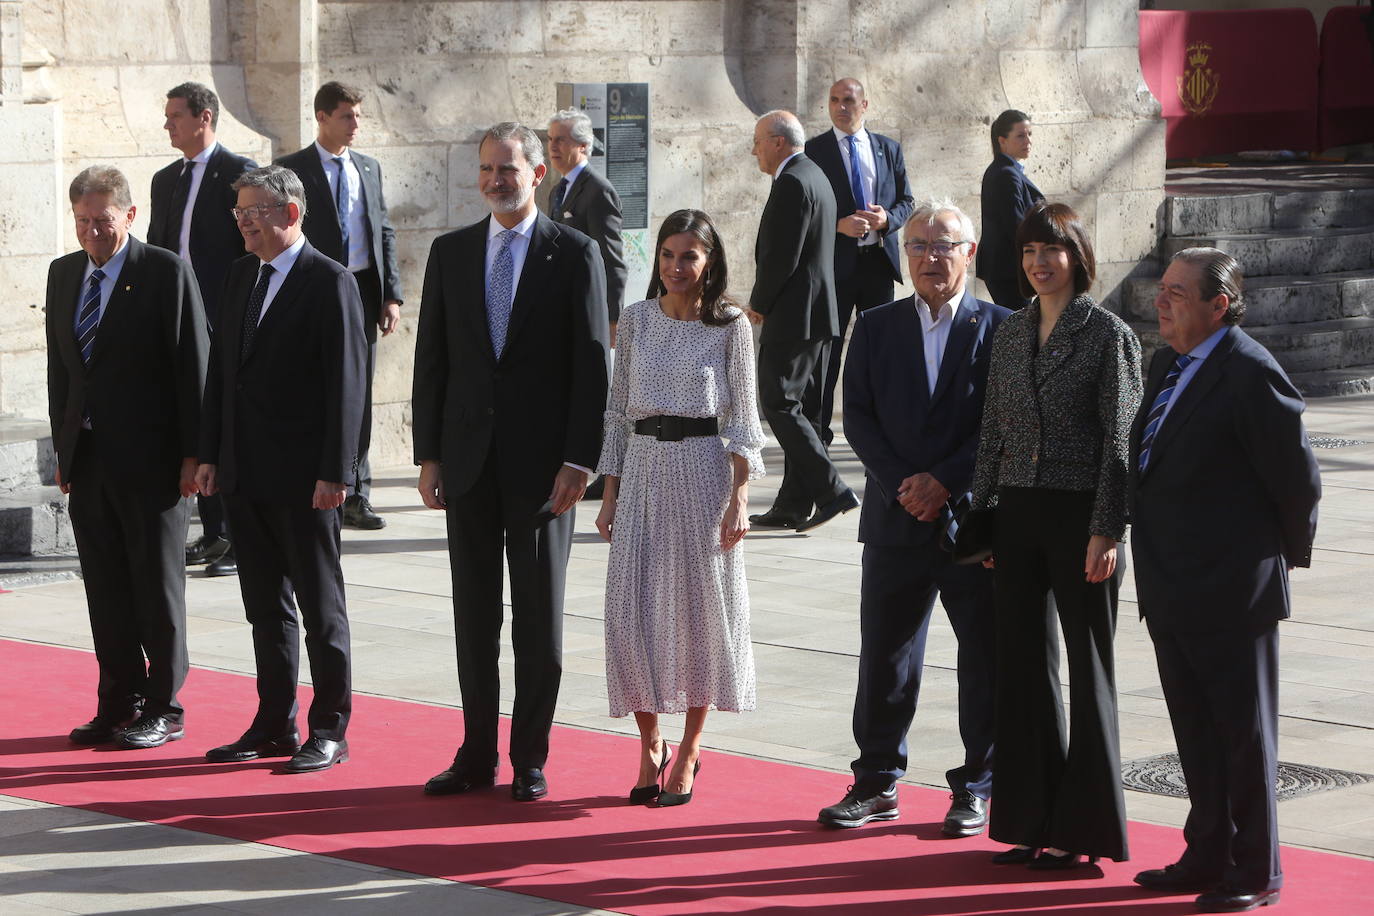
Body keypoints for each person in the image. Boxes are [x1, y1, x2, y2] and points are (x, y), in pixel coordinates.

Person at [413, 122, 609, 803]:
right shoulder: (451, 253)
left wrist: (580, 462)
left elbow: (592, 368)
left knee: (537, 623)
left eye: (509, 169)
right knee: (474, 619)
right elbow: (432, 361)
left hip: (541, 473)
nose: (498, 180)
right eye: (487, 170)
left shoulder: (574, 254)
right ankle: (475, 755)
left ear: (537, 173)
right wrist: (430, 455)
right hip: (467, 464)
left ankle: (529, 757)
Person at [1129, 249, 1319, 914]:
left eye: (1179, 293)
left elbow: (1297, 480)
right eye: (1163, 288)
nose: (1162, 299)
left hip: (1232, 590)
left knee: (1244, 737)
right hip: (1171, 584)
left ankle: (1256, 869)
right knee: (1197, 735)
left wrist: (1278, 561)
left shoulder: (1248, 370)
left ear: (1219, 306)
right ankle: (1207, 850)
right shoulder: (1166, 364)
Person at [820, 200, 1006, 835]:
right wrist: (907, 486)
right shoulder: (875, 326)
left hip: (973, 525)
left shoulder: (1004, 328)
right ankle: (876, 783)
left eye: (944, 245)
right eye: (919, 246)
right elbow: (860, 418)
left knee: (983, 658)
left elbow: (1005, 427)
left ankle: (977, 784)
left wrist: (945, 482)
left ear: (969, 253)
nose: (931, 257)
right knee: (886, 659)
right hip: (896, 519)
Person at [970, 201, 1142, 869]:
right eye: (1029, 253)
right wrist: (982, 518)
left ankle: (1088, 834)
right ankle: (1030, 822)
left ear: (1077, 256)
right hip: (1016, 516)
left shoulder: (1107, 334)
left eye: (1053, 250)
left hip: (1080, 520)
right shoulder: (1010, 333)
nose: (1040, 263)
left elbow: (1120, 443)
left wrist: (1107, 529)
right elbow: (993, 433)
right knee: (1022, 672)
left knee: (1087, 668)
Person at [197, 165, 367, 774]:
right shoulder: (242, 274)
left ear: (290, 213)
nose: (243, 223)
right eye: (238, 213)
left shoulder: (330, 281)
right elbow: (223, 374)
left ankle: (330, 728)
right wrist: (211, 453)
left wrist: (336, 471)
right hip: (244, 471)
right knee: (264, 605)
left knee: (320, 607)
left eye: (254, 212)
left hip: (305, 477)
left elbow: (347, 385)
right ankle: (274, 723)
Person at [594, 209, 765, 808]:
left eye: (689, 256)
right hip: (641, 471)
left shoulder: (730, 326)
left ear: (710, 261)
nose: (676, 267)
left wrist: (740, 497)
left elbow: (745, 418)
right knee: (629, 612)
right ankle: (649, 742)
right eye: (667, 255)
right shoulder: (637, 320)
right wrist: (609, 493)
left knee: (699, 614)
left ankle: (691, 746)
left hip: (702, 474)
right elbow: (617, 413)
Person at [46, 165, 208, 750]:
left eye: (103, 221)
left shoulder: (165, 272)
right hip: (88, 460)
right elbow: (61, 370)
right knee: (106, 588)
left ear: (129, 215)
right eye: (83, 222)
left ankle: (165, 705)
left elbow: (194, 369)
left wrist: (195, 454)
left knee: (154, 589)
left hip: (153, 462)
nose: (92, 232)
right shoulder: (64, 274)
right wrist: (64, 448)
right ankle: (118, 700)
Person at [277, 81, 403, 531]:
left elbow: (382, 229)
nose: (355, 125)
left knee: (359, 388)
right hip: (312, 289)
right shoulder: (292, 168)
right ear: (323, 117)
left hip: (363, 289)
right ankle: (315, 476)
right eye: (347, 116)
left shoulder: (367, 168)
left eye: (358, 116)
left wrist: (391, 294)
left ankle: (358, 491)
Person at [147, 81, 258, 578]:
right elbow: (156, 250)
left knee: (226, 424)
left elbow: (251, 253)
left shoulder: (240, 174)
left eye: (176, 115)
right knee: (194, 422)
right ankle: (212, 531)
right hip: (174, 320)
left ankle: (235, 534)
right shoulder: (164, 179)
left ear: (204, 117)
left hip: (222, 318)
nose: (167, 124)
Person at [748, 109, 858, 533]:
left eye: (758, 141)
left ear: (778, 141)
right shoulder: (815, 175)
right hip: (818, 315)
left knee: (778, 401)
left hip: (796, 317)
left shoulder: (793, 181)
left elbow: (782, 256)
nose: (754, 150)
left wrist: (759, 303)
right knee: (805, 411)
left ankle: (831, 490)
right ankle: (793, 504)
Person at [804, 77, 914, 446]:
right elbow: (804, 210)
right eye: (834, 100)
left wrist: (887, 221)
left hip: (878, 264)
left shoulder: (888, 149)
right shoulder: (814, 151)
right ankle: (818, 431)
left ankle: (882, 428)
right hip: (835, 269)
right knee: (828, 351)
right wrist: (837, 225)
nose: (841, 107)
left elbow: (907, 202)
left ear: (864, 105)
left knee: (880, 351)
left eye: (848, 100)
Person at [547, 106, 627, 501]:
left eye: (560, 139)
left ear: (583, 144)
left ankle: (606, 469)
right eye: (550, 139)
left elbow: (612, 261)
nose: (553, 147)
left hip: (591, 313)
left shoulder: (597, 190)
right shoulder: (558, 188)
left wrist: (611, 318)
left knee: (602, 396)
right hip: (560, 312)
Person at [977, 110, 1043, 311]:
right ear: (1002, 141)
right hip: (1009, 269)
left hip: (1006, 268)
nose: (1028, 141)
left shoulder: (1007, 171)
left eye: (1030, 134)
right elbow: (1016, 225)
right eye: (1021, 136)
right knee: (1019, 327)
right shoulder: (1006, 174)